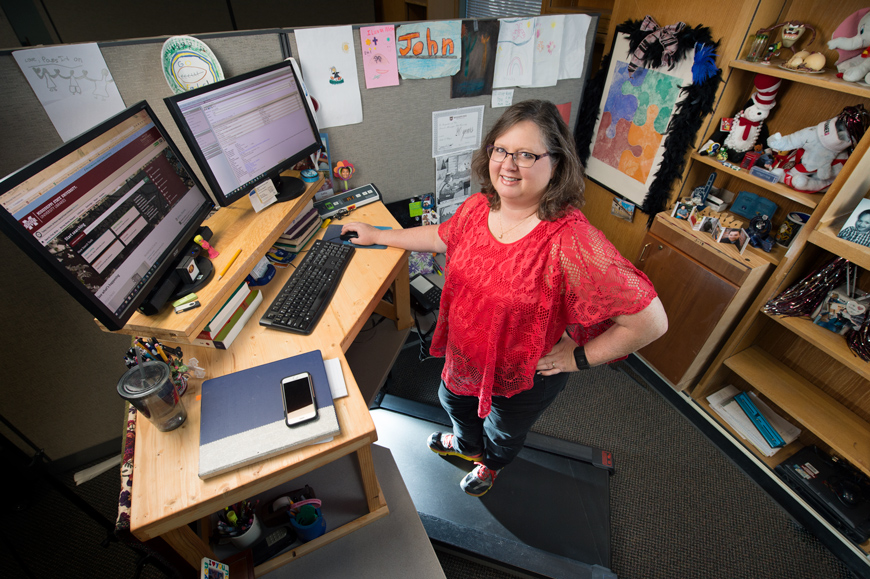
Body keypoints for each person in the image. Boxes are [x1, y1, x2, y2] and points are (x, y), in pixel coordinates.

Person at [341, 100, 667, 497]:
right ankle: (466, 446)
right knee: (452, 401)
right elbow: (443, 237)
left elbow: (650, 321)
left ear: (557, 164)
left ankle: (491, 464)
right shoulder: (480, 207)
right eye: (501, 150)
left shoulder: (570, 240)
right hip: (465, 355)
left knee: (503, 429)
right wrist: (379, 235)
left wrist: (578, 357)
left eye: (527, 154)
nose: (509, 165)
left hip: (524, 374)